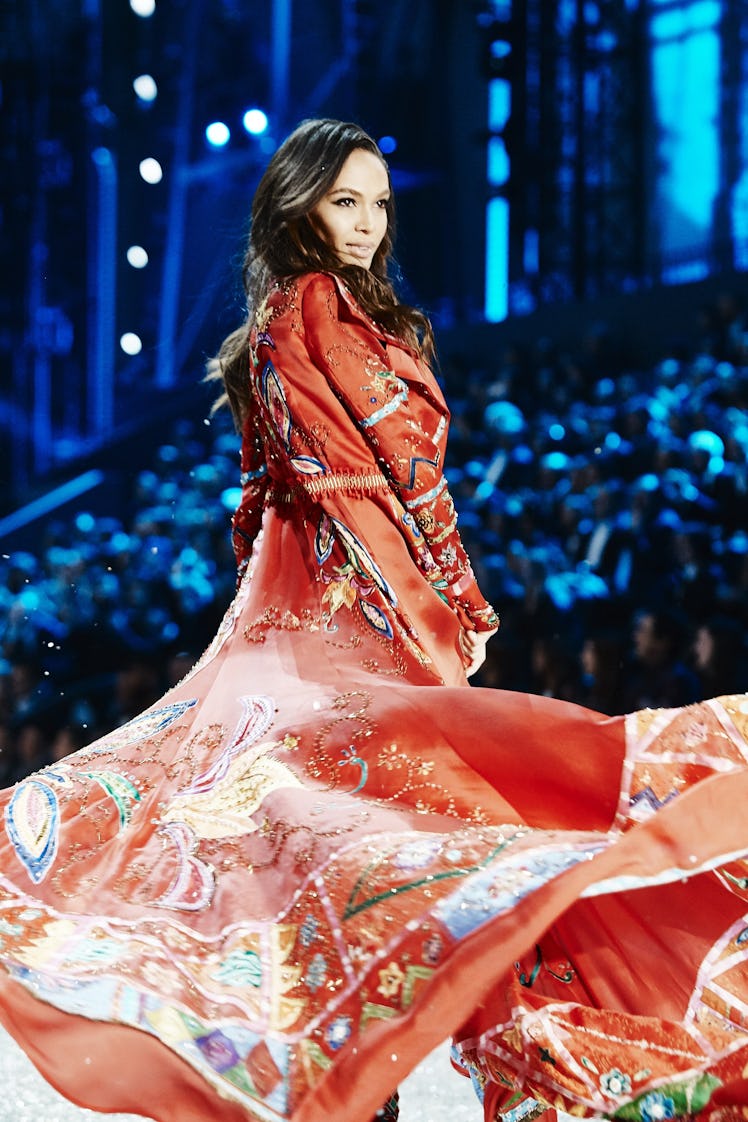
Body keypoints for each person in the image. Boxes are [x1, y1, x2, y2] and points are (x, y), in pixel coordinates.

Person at [0, 118, 747, 1122]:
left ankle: (342, 1083)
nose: (364, 222)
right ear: (300, 205)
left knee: (326, 844)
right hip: (346, 613)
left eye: (378, 203)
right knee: (417, 827)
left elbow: (282, 494)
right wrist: (452, 601)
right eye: (344, 200)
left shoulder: (302, 317)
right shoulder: (314, 310)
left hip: (298, 614)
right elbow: (375, 481)